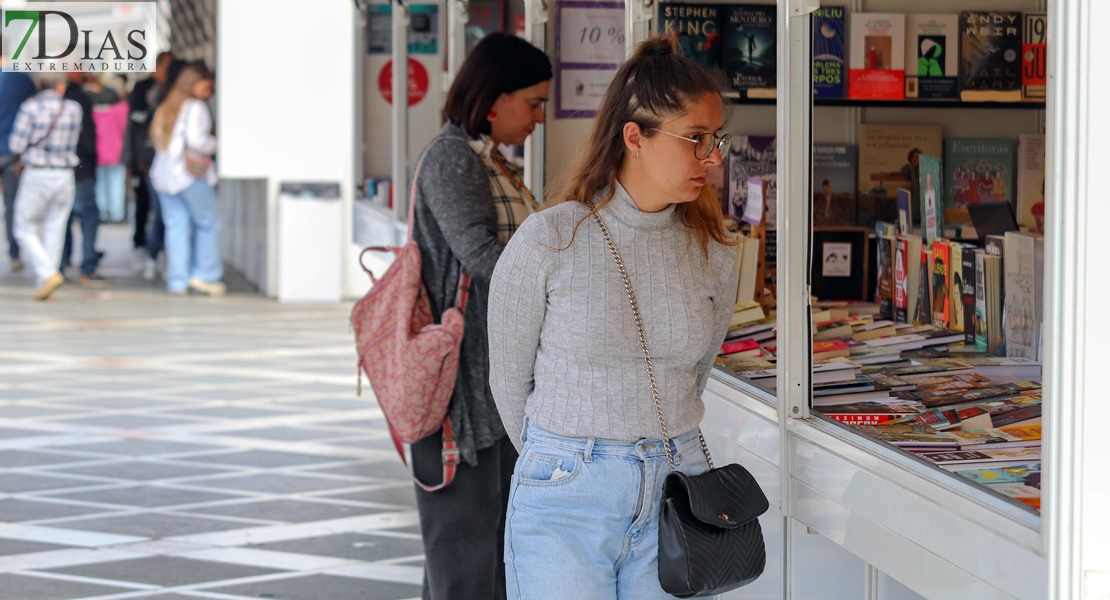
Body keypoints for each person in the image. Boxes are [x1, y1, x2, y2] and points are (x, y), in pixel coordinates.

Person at [487, 36, 738, 599]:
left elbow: (695, 370)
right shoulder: (551, 238)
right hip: (567, 488)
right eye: (696, 139)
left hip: (680, 483)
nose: (714, 157)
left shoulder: (715, 252)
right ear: (635, 138)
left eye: (716, 140)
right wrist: (559, 458)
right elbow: (506, 378)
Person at [407, 32, 551, 600]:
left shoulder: (489, 159)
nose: (539, 118)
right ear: (494, 98)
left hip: (489, 383)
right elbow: (485, 259)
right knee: (465, 548)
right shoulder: (452, 158)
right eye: (533, 102)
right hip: (460, 391)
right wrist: (561, 293)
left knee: (480, 546)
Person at [9, 70, 83, 300]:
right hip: (64, 175)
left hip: (37, 173)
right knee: (56, 227)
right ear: (61, 86)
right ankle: (47, 278)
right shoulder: (73, 109)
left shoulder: (30, 108)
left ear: (39, 84)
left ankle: (47, 273)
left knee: (23, 227)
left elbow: (15, 144)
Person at [149, 62, 221, 296]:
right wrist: (221, 144)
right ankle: (205, 275)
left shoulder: (169, 105)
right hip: (189, 174)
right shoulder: (195, 107)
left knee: (176, 227)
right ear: (194, 84)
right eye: (207, 87)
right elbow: (197, 141)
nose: (209, 93)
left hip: (164, 174)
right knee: (209, 223)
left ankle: (177, 280)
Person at [127, 51, 174, 276]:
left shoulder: (172, 92)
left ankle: (159, 252)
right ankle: (142, 247)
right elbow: (134, 128)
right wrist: (135, 159)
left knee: (161, 209)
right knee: (144, 205)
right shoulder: (143, 89)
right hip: (146, 158)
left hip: (164, 159)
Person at [60, 71, 105, 285]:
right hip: (81, 167)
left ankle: (59, 266)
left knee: (60, 219)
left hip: (58, 169)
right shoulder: (79, 99)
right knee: (88, 217)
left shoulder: (40, 102)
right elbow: (87, 136)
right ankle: (87, 267)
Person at [0, 63, 37, 273]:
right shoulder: (20, 78)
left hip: (10, 150)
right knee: (11, 205)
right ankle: (14, 253)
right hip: (12, 152)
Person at [91, 76, 129, 224]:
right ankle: (116, 213)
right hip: (117, 151)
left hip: (99, 151)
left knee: (100, 183)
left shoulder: (94, 110)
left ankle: (101, 211)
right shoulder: (121, 109)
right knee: (116, 183)